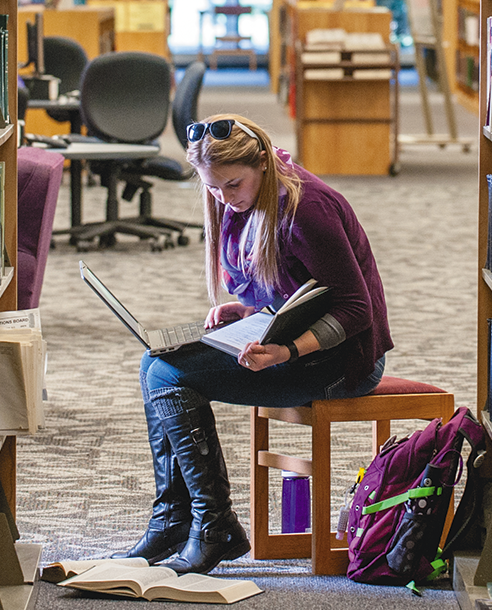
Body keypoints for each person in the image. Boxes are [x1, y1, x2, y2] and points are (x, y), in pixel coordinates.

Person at [111, 114, 393, 574]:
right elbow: (294, 294)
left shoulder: (307, 210)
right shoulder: (246, 201)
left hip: (344, 361)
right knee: (154, 362)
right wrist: (244, 313)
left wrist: (286, 351)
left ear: (263, 162)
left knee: (166, 375)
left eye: (232, 185)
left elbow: (355, 309)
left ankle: (212, 525)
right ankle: (174, 519)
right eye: (213, 189)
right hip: (294, 342)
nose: (225, 199)